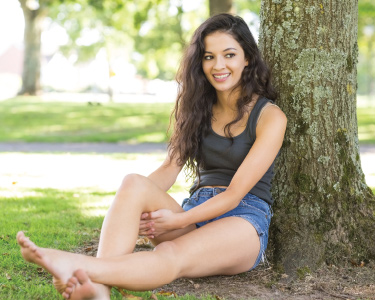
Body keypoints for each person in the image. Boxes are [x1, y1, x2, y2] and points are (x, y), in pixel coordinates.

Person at [17, 13, 287, 300]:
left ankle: (78, 266)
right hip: (195, 211)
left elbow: (234, 194)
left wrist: (177, 222)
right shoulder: (198, 107)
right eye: (209, 57)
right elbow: (170, 167)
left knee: (169, 253)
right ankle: (97, 292)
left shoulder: (270, 117)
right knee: (133, 183)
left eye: (229, 55)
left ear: (247, 58)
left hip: (242, 221)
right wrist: (131, 208)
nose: (218, 65)